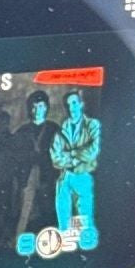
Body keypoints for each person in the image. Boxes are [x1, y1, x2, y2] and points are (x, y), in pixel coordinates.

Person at [51, 89, 101, 232]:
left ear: (80, 104)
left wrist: (71, 154)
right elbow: (55, 157)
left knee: (84, 221)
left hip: (83, 175)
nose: (71, 107)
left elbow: (92, 151)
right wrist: (73, 161)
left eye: (73, 103)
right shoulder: (61, 130)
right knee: (64, 223)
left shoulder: (92, 125)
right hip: (65, 177)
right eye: (67, 105)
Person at [13, 90, 61, 235]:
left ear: (46, 107)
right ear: (30, 109)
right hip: (28, 175)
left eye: (40, 106)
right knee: (24, 211)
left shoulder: (54, 129)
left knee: (49, 210)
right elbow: (15, 156)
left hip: (48, 175)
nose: (37, 110)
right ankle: (18, 241)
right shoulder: (22, 131)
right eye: (34, 107)